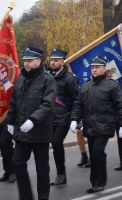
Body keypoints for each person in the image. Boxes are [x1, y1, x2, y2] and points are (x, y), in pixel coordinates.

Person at [70, 56, 122, 193]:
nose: (94, 69)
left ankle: (99, 182)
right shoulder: (85, 86)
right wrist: (74, 119)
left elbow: (121, 106)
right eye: (92, 67)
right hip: (90, 126)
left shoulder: (112, 86)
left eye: (97, 67)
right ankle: (94, 182)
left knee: (97, 151)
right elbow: (78, 105)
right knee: (93, 153)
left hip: (105, 125)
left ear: (104, 68)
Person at [6, 47, 56, 200]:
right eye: (25, 61)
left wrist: (33, 120)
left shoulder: (48, 79)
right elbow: (14, 101)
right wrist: (10, 121)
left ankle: (43, 197)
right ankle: (26, 196)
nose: (26, 63)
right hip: (23, 131)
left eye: (29, 60)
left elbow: (48, 104)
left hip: (40, 131)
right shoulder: (21, 78)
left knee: (42, 169)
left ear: (38, 61)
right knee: (17, 162)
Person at [48, 48, 79, 185]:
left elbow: (77, 99)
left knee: (56, 142)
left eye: (56, 60)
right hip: (49, 117)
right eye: (52, 60)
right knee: (51, 144)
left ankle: (61, 174)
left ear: (62, 61)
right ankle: (55, 173)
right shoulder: (47, 76)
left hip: (64, 117)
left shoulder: (69, 79)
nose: (53, 62)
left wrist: (75, 118)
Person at [0, 119, 16, 183]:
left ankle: (13, 171)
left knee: (6, 143)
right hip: (0, 119)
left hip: (10, 118)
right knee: (2, 147)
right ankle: (7, 171)